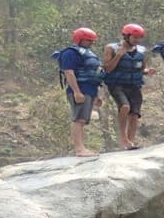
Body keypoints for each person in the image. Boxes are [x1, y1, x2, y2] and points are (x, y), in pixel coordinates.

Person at [102, 23, 154, 150]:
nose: (137, 40)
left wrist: (147, 71)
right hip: (117, 84)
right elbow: (108, 68)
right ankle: (123, 138)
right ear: (126, 36)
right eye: (134, 37)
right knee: (125, 107)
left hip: (134, 85)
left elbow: (141, 68)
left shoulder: (141, 50)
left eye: (139, 38)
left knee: (134, 114)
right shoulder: (111, 48)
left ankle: (130, 142)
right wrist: (119, 55)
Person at [55, 27, 105, 157]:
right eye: (88, 40)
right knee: (79, 119)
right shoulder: (70, 53)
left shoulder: (88, 54)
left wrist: (96, 96)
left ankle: (82, 147)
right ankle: (79, 149)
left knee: (83, 120)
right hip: (79, 90)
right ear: (79, 39)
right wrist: (77, 92)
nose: (91, 43)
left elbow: (95, 75)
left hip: (90, 90)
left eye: (92, 41)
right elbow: (69, 72)